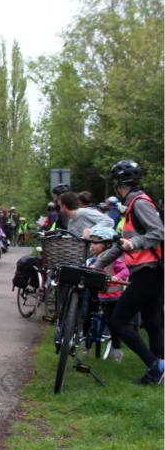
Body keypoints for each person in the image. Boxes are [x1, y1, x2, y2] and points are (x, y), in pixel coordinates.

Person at [91, 160, 163, 385]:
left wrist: (136, 243)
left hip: (149, 271)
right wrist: (97, 265)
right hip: (149, 272)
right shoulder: (131, 207)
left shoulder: (139, 204)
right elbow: (121, 244)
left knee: (119, 321)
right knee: (152, 321)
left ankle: (156, 367)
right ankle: (157, 371)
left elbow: (159, 233)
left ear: (118, 185)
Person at [85, 226, 129, 362]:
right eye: (92, 242)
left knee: (113, 323)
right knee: (86, 316)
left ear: (107, 244)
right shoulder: (92, 259)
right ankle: (85, 344)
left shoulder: (114, 259)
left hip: (112, 297)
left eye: (97, 242)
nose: (93, 246)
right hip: (96, 295)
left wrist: (117, 277)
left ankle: (117, 349)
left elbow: (125, 271)